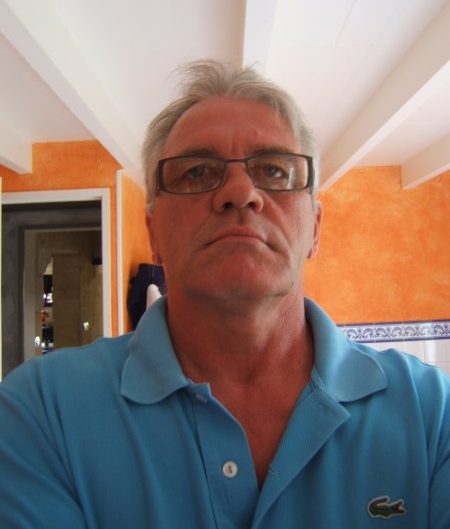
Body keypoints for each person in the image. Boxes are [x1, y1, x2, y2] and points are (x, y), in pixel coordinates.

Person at [0, 60, 449, 529]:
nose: (240, 191)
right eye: (196, 172)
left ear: (314, 228)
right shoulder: (40, 412)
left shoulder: (431, 414)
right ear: (154, 231)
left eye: (274, 169)